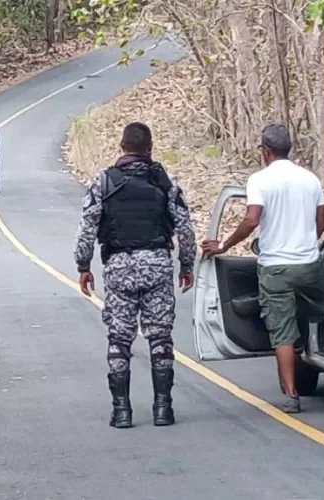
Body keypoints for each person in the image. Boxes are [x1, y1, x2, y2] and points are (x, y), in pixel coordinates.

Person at [74, 122, 196, 429]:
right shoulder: (165, 181)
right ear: (150, 147)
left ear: (122, 146)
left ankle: (122, 411)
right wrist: (187, 265)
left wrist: (84, 266)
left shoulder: (104, 181)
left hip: (118, 267)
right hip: (157, 264)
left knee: (119, 340)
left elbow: (87, 227)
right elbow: (184, 227)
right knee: (160, 338)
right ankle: (163, 409)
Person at [201, 124, 324, 414]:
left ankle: (292, 395)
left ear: (265, 151)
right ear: (289, 148)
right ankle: (316, 351)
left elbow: (251, 219)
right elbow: (322, 223)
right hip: (310, 265)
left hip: (275, 269)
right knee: (321, 315)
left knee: (282, 331)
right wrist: (305, 241)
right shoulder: (310, 179)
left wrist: (223, 245)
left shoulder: (260, 180)